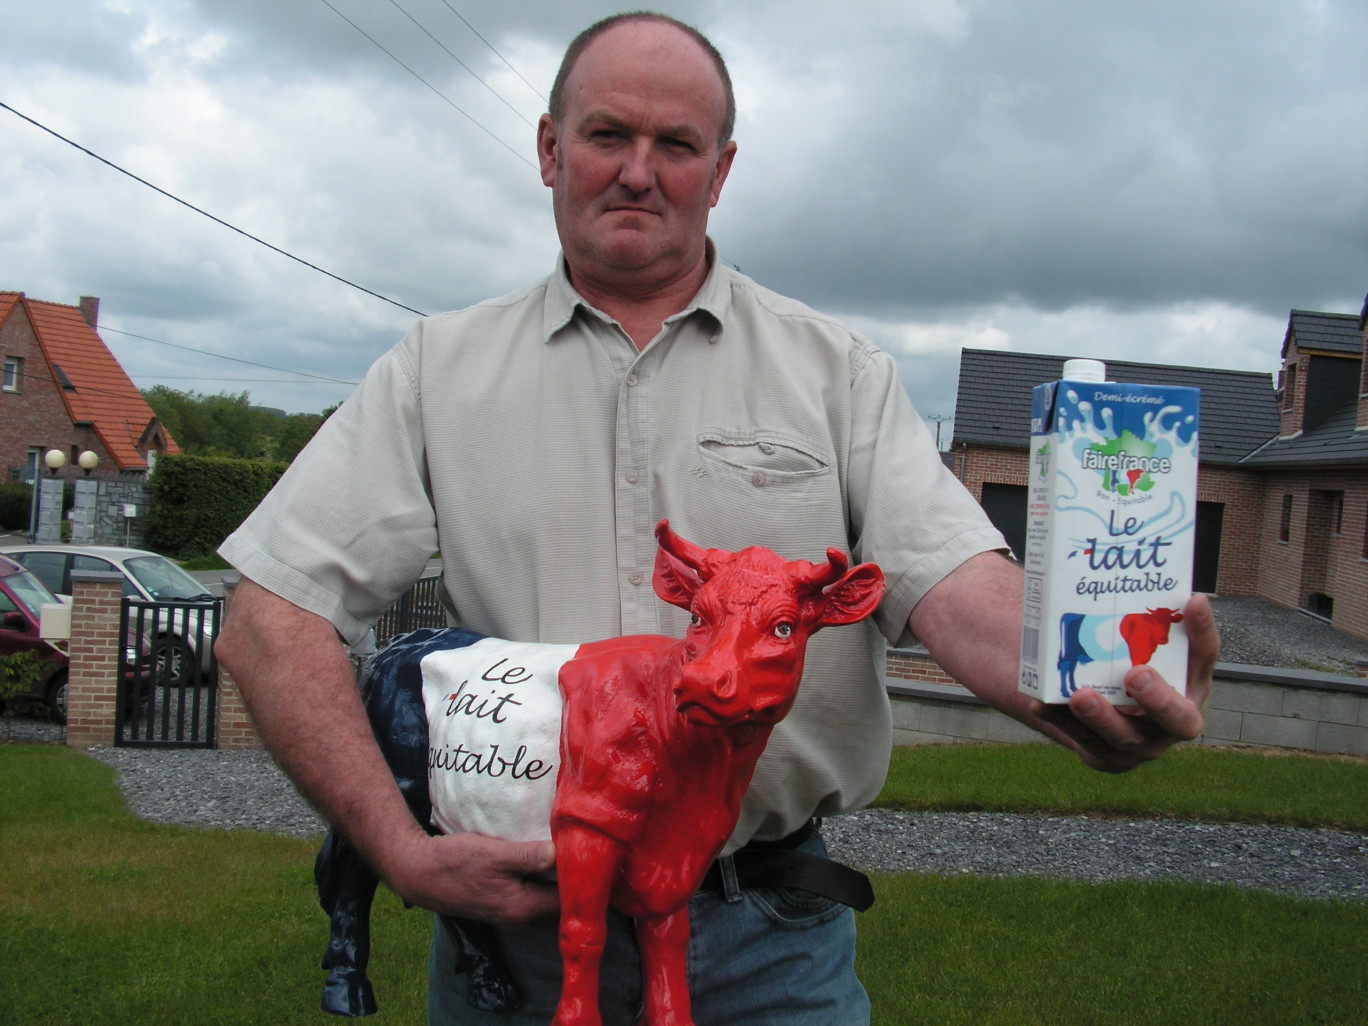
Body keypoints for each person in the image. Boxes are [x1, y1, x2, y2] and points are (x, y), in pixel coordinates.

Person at [215, 11, 1217, 1025]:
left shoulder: (838, 375)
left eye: (677, 145)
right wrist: (399, 851)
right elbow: (270, 616)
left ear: (721, 170)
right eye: (608, 136)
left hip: (765, 946)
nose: (639, 172)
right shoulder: (438, 371)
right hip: (517, 947)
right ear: (551, 149)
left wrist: (1089, 675)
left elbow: (953, 584)